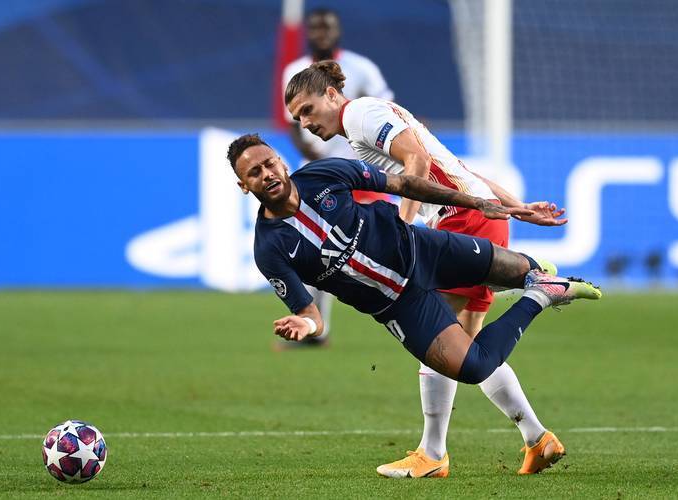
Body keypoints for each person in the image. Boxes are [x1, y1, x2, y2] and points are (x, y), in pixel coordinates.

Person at [227, 133, 601, 472]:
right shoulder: (269, 249)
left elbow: (405, 183)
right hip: (400, 305)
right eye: (254, 173)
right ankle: (542, 295)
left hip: (422, 250)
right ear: (244, 186)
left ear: (282, 161)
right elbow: (310, 313)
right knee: (472, 366)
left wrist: (480, 204)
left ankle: (457, 449)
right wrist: (306, 324)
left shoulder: (325, 173)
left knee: (524, 269)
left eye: (269, 163)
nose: (266, 174)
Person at [284, 61, 572, 476]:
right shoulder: (368, 117)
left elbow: (416, 162)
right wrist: (517, 208)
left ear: (331, 94)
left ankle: (433, 454)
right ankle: (537, 438)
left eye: (308, 110)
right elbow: (457, 169)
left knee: (434, 337)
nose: (305, 123)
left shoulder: (360, 115)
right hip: (478, 216)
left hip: (462, 221)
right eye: (297, 118)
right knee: (463, 349)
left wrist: (401, 229)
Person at [281, 8, 394, 347]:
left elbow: (384, 108)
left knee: (390, 240)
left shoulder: (360, 67)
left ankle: (421, 297)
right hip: (319, 177)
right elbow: (292, 126)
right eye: (316, 28)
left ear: (337, 31)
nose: (322, 33)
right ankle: (316, 329)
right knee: (314, 250)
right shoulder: (294, 71)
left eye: (327, 27)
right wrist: (314, 156)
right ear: (308, 32)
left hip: (363, 171)